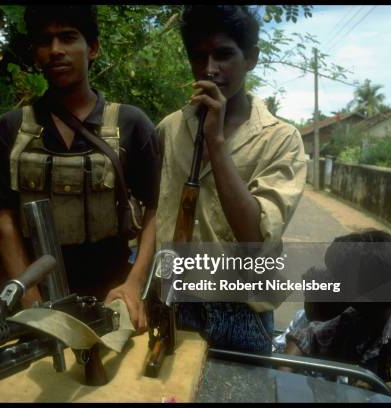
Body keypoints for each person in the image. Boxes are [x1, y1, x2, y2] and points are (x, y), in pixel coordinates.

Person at [0, 6, 160, 331]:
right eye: (44, 41)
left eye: (67, 38)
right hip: (36, 303)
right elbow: (4, 218)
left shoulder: (130, 125)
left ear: (92, 48)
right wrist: (31, 303)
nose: (55, 51)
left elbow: (156, 210)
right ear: (35, 54)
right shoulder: (12, 129)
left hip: (114, 300)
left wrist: (133, 286)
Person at [155, 5, 306, 353]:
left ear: (250, 58)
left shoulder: (280, 139)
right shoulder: (169, 129)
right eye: (199, 56)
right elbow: (156, 214)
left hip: (242, 314)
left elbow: (254, 236)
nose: (209, 69)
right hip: (178, 303)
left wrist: (216, 143)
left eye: (224, 54)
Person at [284, 230, 391, 401]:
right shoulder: (360, 315)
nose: (332, 284)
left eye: (340, 280)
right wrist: (281, 380)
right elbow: (307, 338)